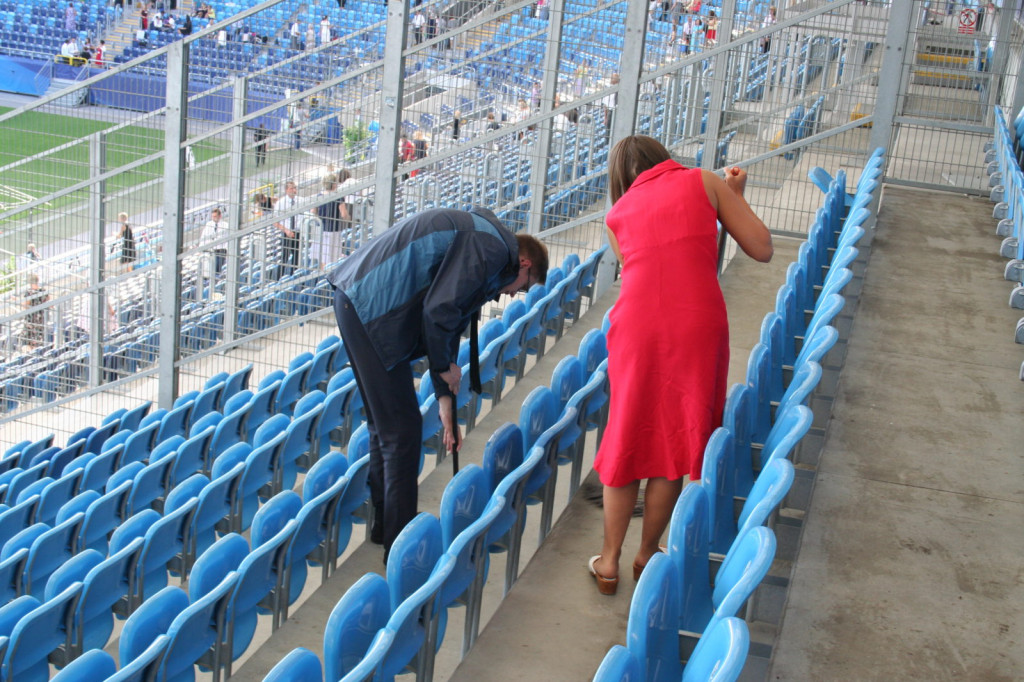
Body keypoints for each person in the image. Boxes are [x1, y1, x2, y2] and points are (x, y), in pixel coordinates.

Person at [586, 135, 773, 595]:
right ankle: (648, 552)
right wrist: (732, 196)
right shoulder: (703, 181)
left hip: (635, 331)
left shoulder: (616, 216)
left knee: (629, 435)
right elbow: (760, 247)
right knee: (674, 436)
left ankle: (607, 561)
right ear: (663, 157)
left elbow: (654, 264)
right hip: (695, 327)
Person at [326, 207, 549, 558]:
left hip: (360, 301)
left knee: (388, 426)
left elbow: (448, 316)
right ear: (524, 264)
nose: (512, 295)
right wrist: (445, 368)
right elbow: (439, 312)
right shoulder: (491, 251)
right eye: (523, 288)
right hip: (369, 305)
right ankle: (401, 549)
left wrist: (445, 397)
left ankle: (386, 529)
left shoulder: (488, 244)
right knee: (401, 431)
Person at [274, 181, 301, 277]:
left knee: (297, 257)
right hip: (286, 233)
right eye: (291, 188)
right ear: (286, 190)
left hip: (298, 232)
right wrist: (286, 230)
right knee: (284, 257)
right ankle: (279, 278)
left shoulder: (301, 200)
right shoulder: (281, 203)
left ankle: (294, 277)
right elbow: (275, 222)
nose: (294, 190)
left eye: (295, 188)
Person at [21, 274, 50, 348]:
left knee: (28, 341)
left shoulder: (29, 292)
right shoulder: (43, 290)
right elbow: (49, 302)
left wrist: (17, 301)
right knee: (38, 339)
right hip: (41, 318)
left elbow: (25, 306)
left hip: (31, 320)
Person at [199, 207, 228, 276]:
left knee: (217, 267)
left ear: (220, 216)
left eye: (215, 216)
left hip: (221, 249)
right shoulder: (209, 224)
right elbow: (204, 236)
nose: (213, 218)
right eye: (212, 216)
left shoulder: (225, 225)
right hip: (211, 250)